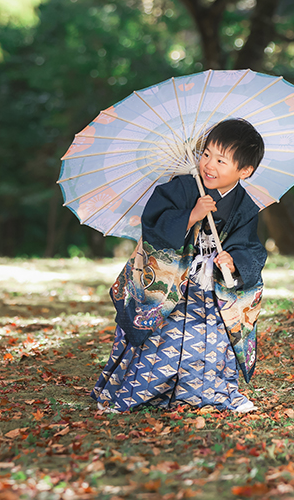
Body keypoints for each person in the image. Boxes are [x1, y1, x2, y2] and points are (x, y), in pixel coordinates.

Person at [92, 118, 267, 414]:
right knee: (160, 337)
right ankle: (138, 393)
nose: (209, 165)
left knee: (213, 340)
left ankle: (210, 391)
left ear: (245, 171)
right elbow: (154, 225)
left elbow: (249, 246)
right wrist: (191, 215)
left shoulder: (245, 207)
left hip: (210, 290)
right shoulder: (182, 188)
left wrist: (234, 261)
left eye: (221, 160)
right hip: (172, 286)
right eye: (206, 154)